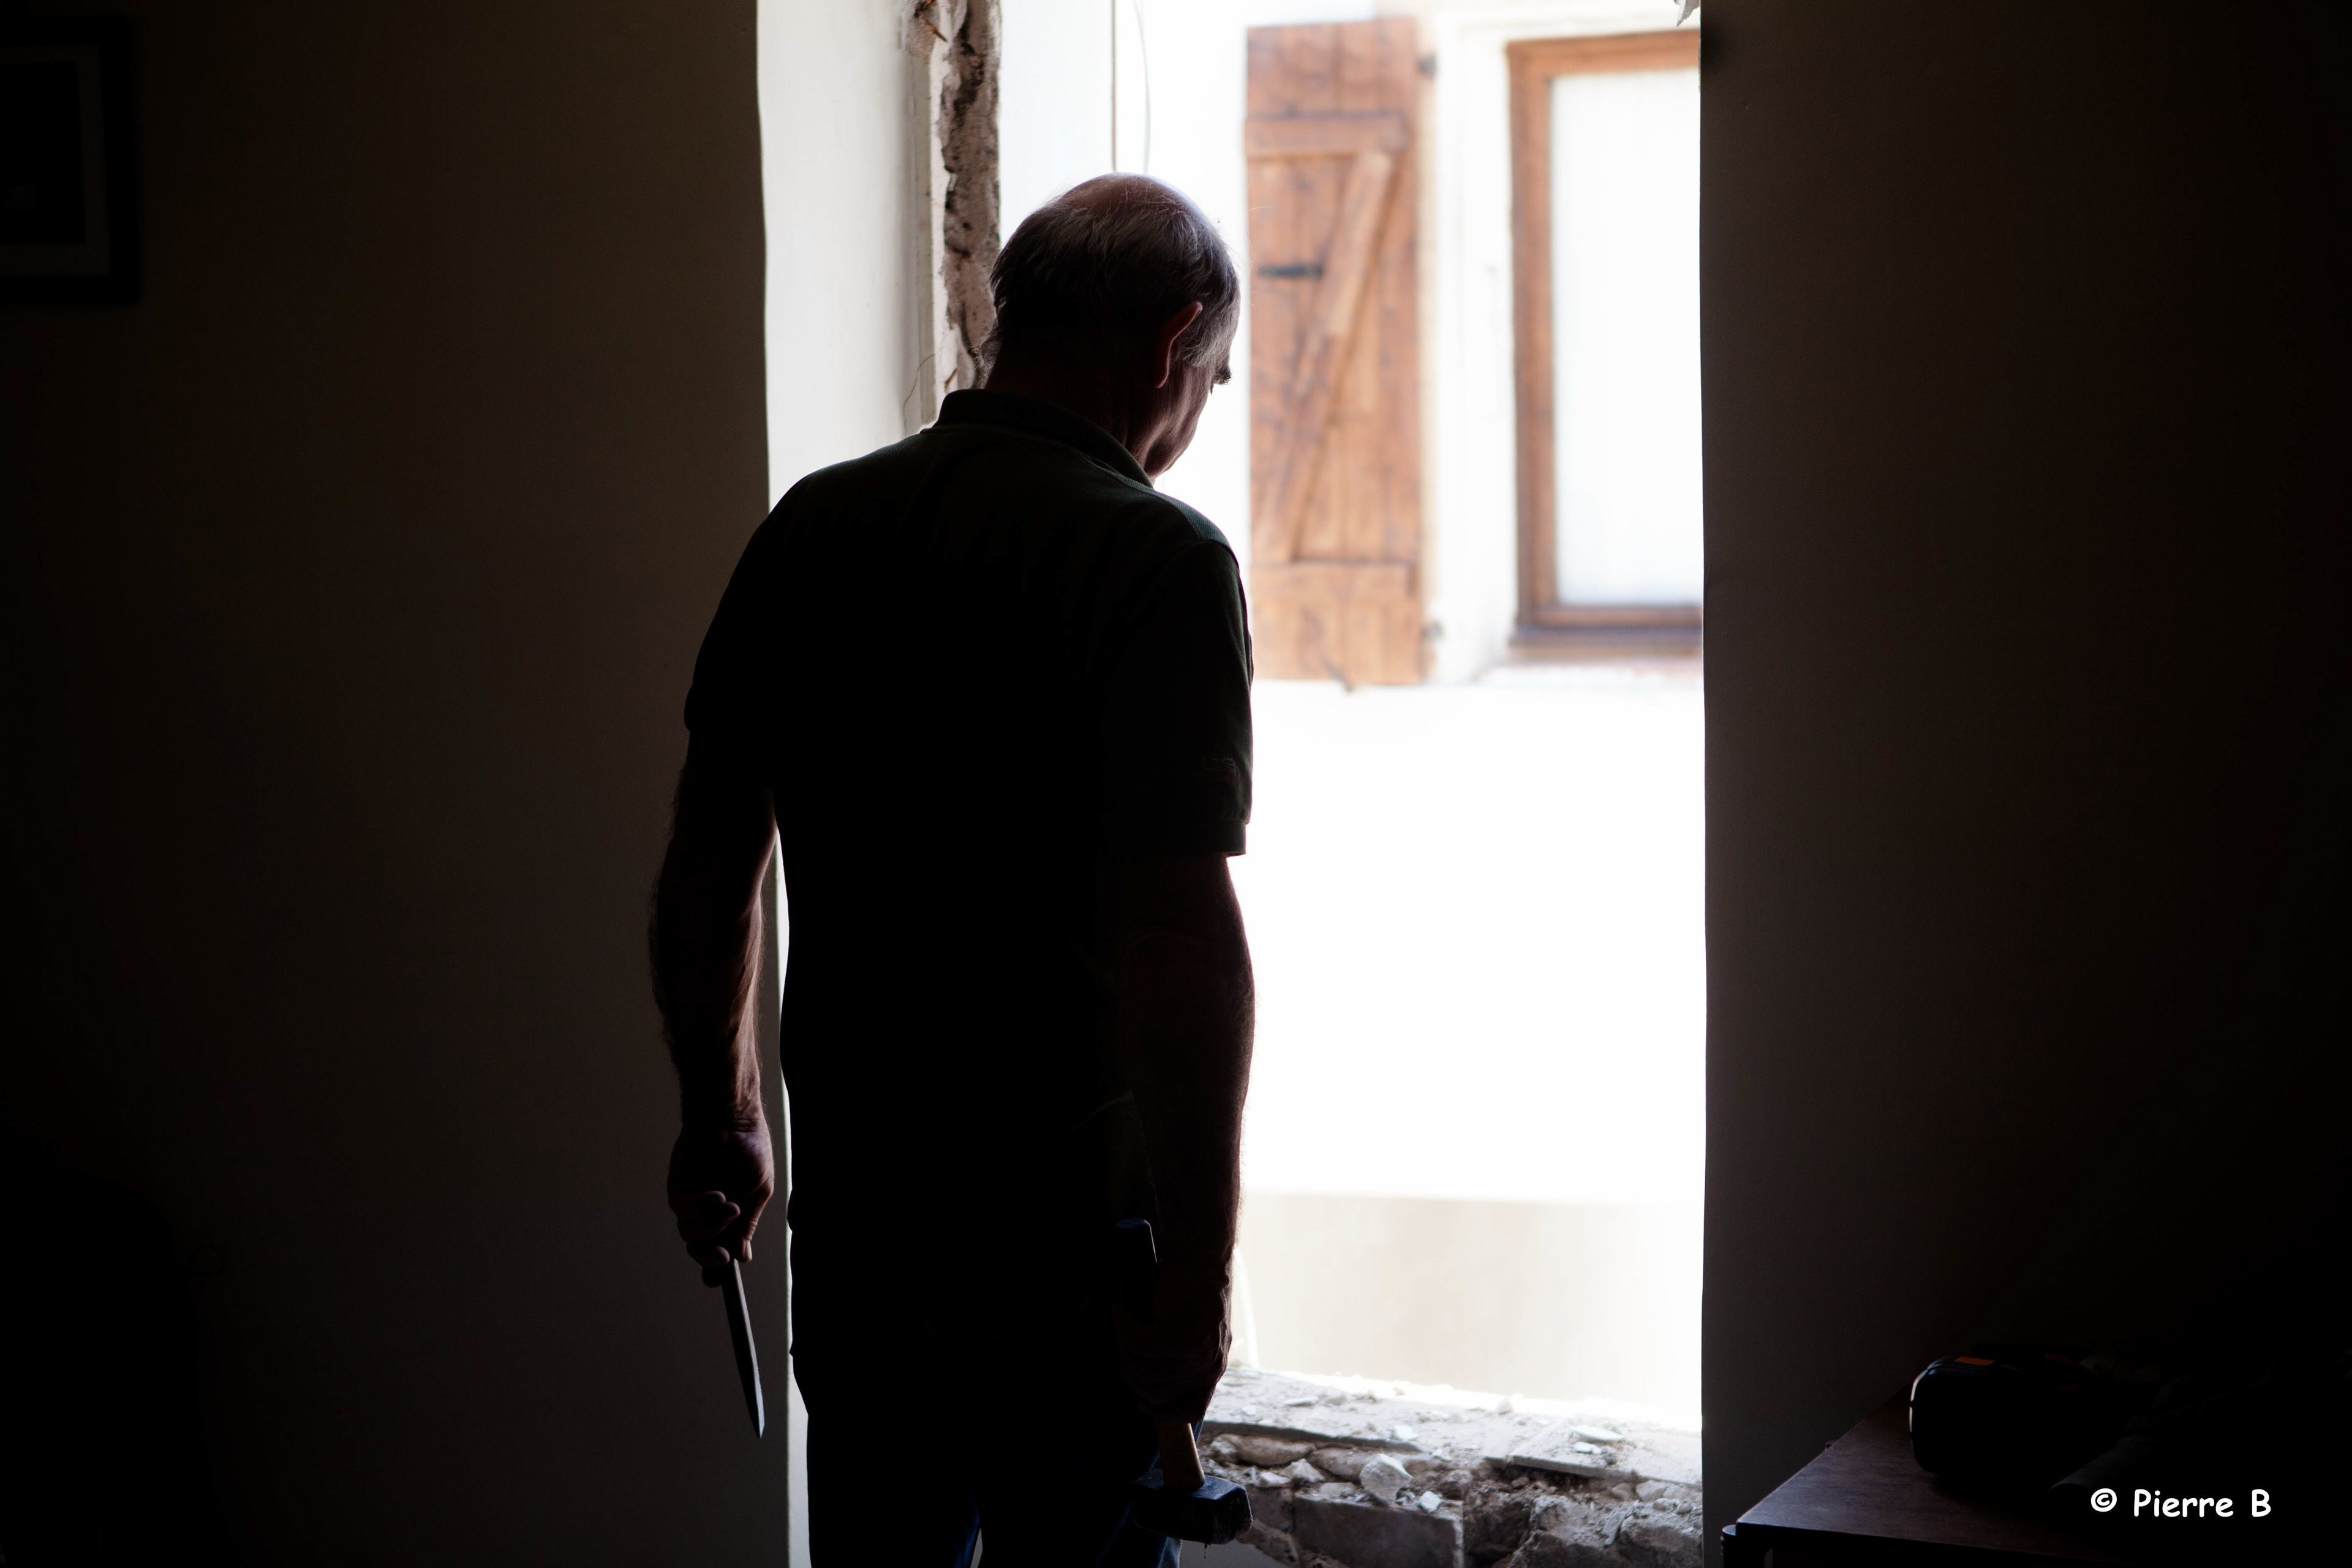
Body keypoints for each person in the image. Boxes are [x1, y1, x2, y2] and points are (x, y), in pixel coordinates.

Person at [649, 174, 1256, 1566]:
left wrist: (722, 1115)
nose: (1195, 419)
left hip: (861, 1249)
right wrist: (1199, 1273)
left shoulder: (814, 524)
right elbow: (1175, 943)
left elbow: (709, 864)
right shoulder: (1154, 556)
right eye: (1213, 380)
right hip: (1065, 1267)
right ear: (1174, 341)